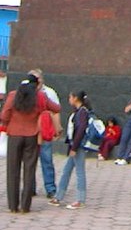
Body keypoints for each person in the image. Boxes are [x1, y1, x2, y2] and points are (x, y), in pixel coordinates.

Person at [1, 73, 60, 214]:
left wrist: (10, 122)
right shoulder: (40, 96)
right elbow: (57, 108)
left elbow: (4, 115)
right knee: (29, 170)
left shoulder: (13, 95)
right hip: (32, 135)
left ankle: (13, 206)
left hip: (14, 134)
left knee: (12, 170)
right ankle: (25, 206)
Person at [48, 90, 90, 210]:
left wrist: (74, 147)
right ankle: (58, 197)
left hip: (78, 146)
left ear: (76, 98)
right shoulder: (79, 111)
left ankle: (80, 199)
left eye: (70, 97)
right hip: (74, 145)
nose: (69, 99)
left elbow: (80, 129)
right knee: (67, 170)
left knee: (80, 172)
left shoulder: (82, 112)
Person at [29, 68, 61, 199]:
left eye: (38, 79)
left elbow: (56, 110)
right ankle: (30, 187)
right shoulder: (25, 92)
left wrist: (57, 128)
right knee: (29, 161)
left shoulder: (49, 93)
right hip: (30, 130)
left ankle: (50, 188)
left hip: (44, 130)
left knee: (47, 160)